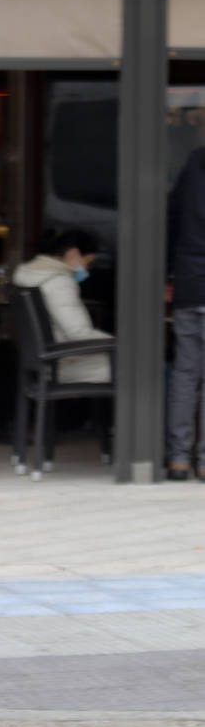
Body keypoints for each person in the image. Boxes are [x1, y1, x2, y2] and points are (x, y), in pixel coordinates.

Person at [12, 229, 112, 383]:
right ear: (73, 253)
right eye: (88, 263)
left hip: (43, 361)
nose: (87, 271)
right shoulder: (59, 282)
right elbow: (79, 334)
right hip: (64, 363)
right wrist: (119, 343)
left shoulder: (27, 276)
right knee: (148, 367)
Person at [166, 146, 205, 480]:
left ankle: (178, 458)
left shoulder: (193, 164)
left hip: (190, 286)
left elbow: (172, 217)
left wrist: (169, 274)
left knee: (185, 372)